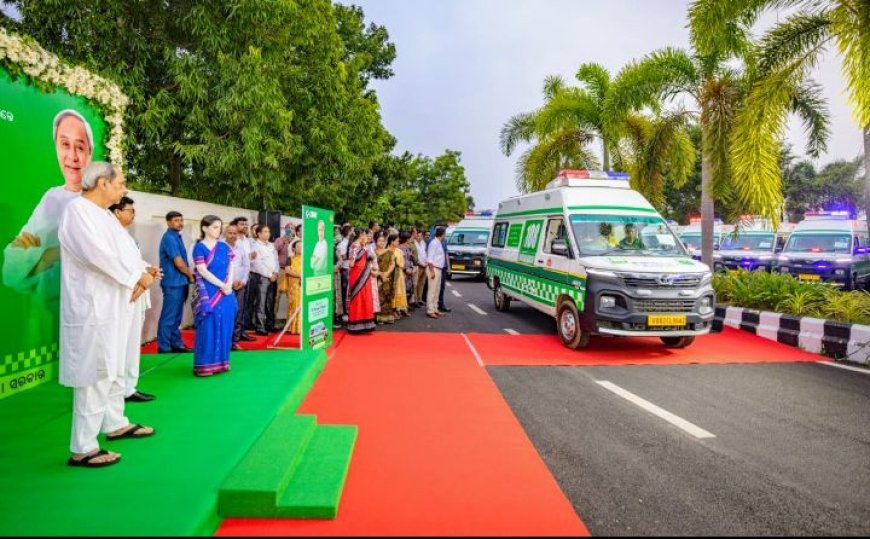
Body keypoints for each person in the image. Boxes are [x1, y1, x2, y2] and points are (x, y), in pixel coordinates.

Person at [59, 162, 156, 468]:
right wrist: (137, 278)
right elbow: (99, 256)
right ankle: (83, 447)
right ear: (102, 182)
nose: (123, 188)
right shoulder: (77, 212)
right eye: (120, 183)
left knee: (113, 368)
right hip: (93, 308)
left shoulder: (104, 216)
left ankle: (114, 423)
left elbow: (126, 255)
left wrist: (142, 272)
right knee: (96, 374)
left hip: (116, 304)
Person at [3, 109, 94, 298]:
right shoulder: (51, 198)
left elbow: (93, 265)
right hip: (47, 313)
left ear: (90, 152)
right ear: (56, 148)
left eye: (80, 147)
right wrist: (48, 255)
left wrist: (46, 256)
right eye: (64, 144)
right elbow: (10, 272)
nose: (72, 156)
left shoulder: (97, 202)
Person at [109, 196, 158, 402]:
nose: (133, 214)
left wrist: (148, 269)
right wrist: (141, 276)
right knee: (120, 346)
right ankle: (118, 390)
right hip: (125, 294)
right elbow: (116, 264)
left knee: (131, 344)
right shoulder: (109, 233)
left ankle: (129, 387)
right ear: (117, 212)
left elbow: (135, 261)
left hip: (137, 292)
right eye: (130, 210)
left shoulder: (125, 235)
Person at [192, 216, 237, 376]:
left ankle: (222, 363)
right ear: (204, 228)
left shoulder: (224, 247)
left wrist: (229, 284)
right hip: (209, 291)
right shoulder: (199, 247)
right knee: (208, 327)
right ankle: (204, 366)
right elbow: (202, 271)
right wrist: (222, 285)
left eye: (219, 227)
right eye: (214, 227)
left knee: (225, 325)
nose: (218, 231)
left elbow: (231, 266)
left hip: (226, 292)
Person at [157, 211, 195, 353]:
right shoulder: (169, 238)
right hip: (173, 283)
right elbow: (178, 263)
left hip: (180, 282)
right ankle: (164, 347)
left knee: (177, 316)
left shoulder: (176, 237)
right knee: (169, 316)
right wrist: (190, 276)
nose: (180, 222)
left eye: (181, 219)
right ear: (168, 222)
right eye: (176, 220)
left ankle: (176, 344)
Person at [223, 223, 253, 351]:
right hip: (224, 287)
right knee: (226, 313)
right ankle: (224, 341)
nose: (232, 235)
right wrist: (230, 282)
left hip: (240, 285)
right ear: (225, 233)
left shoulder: (241, 248)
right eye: (230, 233)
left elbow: (246, 266)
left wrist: (243, 281)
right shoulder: (220, 248)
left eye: (235, 233)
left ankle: (234, 341)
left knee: (238, 312)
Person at [250, 224, 279, 335]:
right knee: (261, 302)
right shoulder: (255, 246)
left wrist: (275, 272)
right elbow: (257, 264)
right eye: (265, 231)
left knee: (270, 302)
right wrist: (269, 274)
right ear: (259, 233)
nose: (268, 233)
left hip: (273, 276)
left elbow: (276, 260)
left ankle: (270, 324)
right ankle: (260, 326)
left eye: (268, 231)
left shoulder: (271, 245)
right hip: (262, 277)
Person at [346, 229, 376, 333]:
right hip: (356, 275)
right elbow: (351, 264)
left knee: (366, 297)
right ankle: (355, 324)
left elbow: (371, 259)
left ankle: (365, 324)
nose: (366, 237)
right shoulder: (353, 247)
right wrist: (356, 253)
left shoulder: (364, 247)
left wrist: (365, 249)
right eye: (365, 235)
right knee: (357, 298)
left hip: (366, 274)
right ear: (360, 236)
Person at [375, 233, 397, 324]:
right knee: (379, 297)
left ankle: (388, 317)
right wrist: (380, 275)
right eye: (379, 241)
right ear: (376, 242)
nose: (381, 243)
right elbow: (372, 266)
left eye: (383, 241)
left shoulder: (389, 252)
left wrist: (387, 273)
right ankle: (379, 317)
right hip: (377, 277)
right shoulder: (373, 252)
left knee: (387, 296)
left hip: (387, 277)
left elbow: (392, 264)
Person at [426, 227, 447, 319]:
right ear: (442, 234)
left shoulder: (439, 243)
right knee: (432, 290)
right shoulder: (434, 243)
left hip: (439, 268)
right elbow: (429, 259)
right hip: (433, 268)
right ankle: (430, 310)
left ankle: (435, 308)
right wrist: (431, 271)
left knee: (437, 290)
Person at [283, 239, 303, 334]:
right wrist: (300, 275)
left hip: (304, 285)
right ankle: (294, 328)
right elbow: (287, 271)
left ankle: (302, 327)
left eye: (302, 246)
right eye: (299, 246)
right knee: (294, 304)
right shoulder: (290, 258)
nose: (301, 248)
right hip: (294, 285)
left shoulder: (307, 258)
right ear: (294, 248)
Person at [394, 232, 411, 317]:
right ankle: (397, 309)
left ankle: (404, 308)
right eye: (396, 241)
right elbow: (398, 262)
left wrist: (410, 268)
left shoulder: (406, 248)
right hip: (399, 272)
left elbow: (408, 259)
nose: (398, 242)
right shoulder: (397, 249)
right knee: (398, 291)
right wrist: (404, 269)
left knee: (405, 290)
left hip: (405, 271)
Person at [413, 228, 428, 307]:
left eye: (420, 236)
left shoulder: (423, 243)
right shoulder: (414, 243)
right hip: (418, 265)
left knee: (422, 283)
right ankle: (415, 300)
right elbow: (416, 257)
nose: (419, 237)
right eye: (418, 236)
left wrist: (426, 263)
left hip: (425, 265)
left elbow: (425, 254)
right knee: (416, 283)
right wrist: (421, 264)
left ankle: (420, 298)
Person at [438, 231, 452, 313]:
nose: (445, 235)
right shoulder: (434, 241)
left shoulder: (445, 241)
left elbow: (446, 253)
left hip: (443, 267)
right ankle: (434, 306)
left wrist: (449, 266)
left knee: (442, 287)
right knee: (436, 288)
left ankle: (441, 304)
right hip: (437, 267)